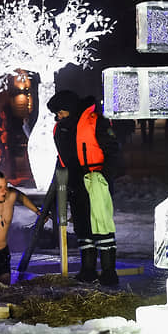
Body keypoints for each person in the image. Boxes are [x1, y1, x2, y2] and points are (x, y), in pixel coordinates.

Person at [47, 89, 120, 286]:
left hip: (96, 179)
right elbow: (62, 158)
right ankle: (87, 270)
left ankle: (108, 271)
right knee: (82, 226)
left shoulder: (96, 121)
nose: (57, 116)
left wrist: (104, 177)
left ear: (68, 108)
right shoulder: (62, 129)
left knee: (101, 223)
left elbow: (112, 150)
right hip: (75, 182)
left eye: (60, 112)